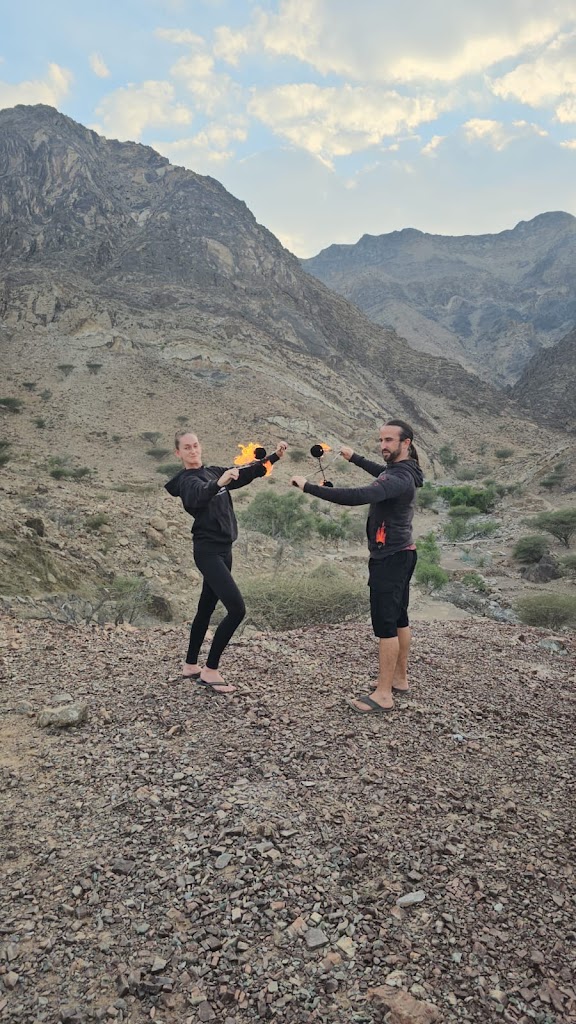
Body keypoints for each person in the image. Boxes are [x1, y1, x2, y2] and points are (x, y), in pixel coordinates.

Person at [291, 420, 423, 713]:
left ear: (406, 443)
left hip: (390, 559)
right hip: (402, 553)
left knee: (386, 626)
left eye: (389, 440)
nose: (383, 445)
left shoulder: (399, 477)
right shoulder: (405, 470)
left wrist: (308, 487)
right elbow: (383, 473)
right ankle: (399, 679)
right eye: (381, 440)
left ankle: (383, 695)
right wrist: (355, 458)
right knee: (399, 619)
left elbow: (359, 496)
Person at [165, 432, 288, 693]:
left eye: (195, 445)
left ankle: (190, 665)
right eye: (186, 448)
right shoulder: (187, 481)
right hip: (208, 551)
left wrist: (274, 457)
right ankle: (210, 670)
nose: (193, 450)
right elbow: (198, 496)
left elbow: (245, 473)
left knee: (206, 608)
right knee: (237, 610)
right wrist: (218, 483)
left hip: (224, 549)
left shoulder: (211, 471)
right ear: (178, 453)